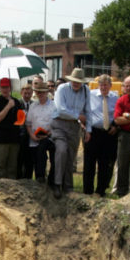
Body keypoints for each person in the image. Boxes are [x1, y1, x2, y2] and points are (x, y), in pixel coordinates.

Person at [51, 68, 92, 198]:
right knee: (61, 151)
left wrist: (88, 130)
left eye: (79, 82)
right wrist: (78, 116)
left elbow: (88, 111)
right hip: (59, 124)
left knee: (70, 157)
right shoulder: (62, 89)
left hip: (74, 128)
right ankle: (57, 184)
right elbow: (60, 109)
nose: (76, 84)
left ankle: (67, 186)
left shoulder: (86, 91)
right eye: (74, 81)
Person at [84, 74, 119, 196]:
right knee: (89, 163)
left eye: (106, 85)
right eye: (101, 84)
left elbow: (117, 114)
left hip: (109, 134)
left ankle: (101, 190)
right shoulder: (90, 95)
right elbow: (85, 112)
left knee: (105, 164)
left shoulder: (115, 97)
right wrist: (86, 129)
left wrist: (115, 125)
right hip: (93, 132)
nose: (103, 87)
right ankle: (87, 191)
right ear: (98, 85)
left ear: (110, 85)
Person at [112, 76, 130, 197]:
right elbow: (117, 120)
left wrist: (128, 116)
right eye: (126, 85)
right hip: (124, 135)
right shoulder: (121, 100)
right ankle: (121, 191)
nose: (128, 88)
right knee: (122, 163)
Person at [26, 79, 56, 182]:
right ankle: (40, 177)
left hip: (50, 136)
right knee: (38, 156)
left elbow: (56, 123)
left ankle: (52, 180)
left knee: (54, 157)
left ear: (47, 92)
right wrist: (31, 135)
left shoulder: (54, 105)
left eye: (43, 92)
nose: (40, 94)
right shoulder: (33, 106)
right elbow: (28, 123)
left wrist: (48, 134)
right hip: (35, 136)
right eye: (38, 92)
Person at [0, 78, 21, 178]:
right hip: (1, 140)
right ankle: (0, 191)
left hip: (14, 139)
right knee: (0, 168)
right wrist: (8, 106)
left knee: (12, 168)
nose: (5, 89)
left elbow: (20, 119)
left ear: (10, 88)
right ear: (0, 88)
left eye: (6, 87)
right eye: (3, 87)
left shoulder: (16, 102)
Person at [16, 82, 34, 180]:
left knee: (29, 159)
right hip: (20, 135)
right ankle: (19, 178)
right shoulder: (18, 103)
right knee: (20, 158)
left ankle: (28, 178)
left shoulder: (34, 104)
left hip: (31, 135)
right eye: (25, 93)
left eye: (29, 93)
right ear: (21, 93)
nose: (27, 95)